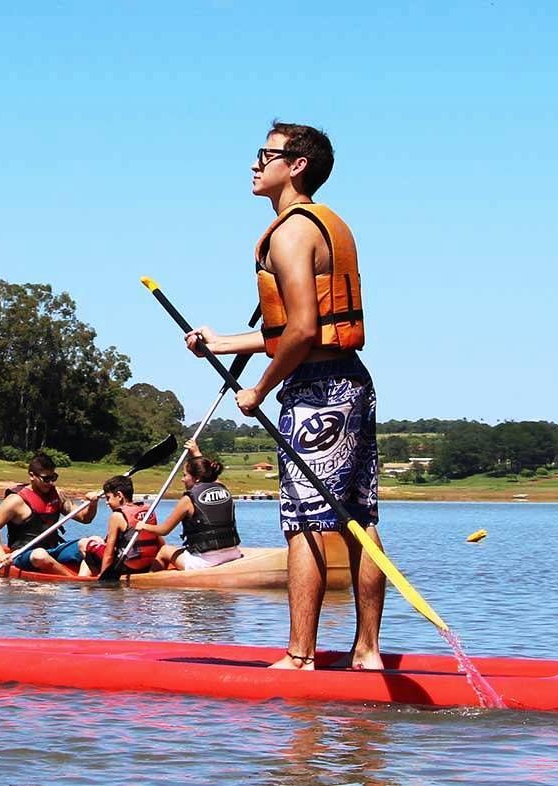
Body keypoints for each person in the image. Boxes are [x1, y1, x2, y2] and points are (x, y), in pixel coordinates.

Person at [184, 121, 384, 671]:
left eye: (264, 154)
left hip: (317, 393)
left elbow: (300, 331)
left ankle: (300, 657)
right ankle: (367, 651)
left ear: (296, 165)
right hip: (349, 381)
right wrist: (221, 343)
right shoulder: (327, 223)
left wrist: (259, 388)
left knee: (304, 523)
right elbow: (305, 328)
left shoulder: (291, 232)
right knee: (358, 519)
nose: (254, 164)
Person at [0, 453, 100, 576]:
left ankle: (86, 579)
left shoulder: (58, 495)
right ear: (32, 476)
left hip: (53, 550)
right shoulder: (15, 500)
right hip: (24, 553)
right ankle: (72, 580)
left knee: (93, 542)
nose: (50, 483)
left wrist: (93, 504)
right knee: (40, 555)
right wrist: (1, 555)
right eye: (46, 479)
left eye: (53, 477)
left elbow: (85, 518)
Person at [139, 440, 244, 571]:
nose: (182, 479)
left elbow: (164, 530)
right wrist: (196, 452)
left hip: (204, 561)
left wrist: (143, 526)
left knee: (164, 550)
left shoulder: (188, 500)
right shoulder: (223, 488)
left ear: (197, 478)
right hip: (233, 553)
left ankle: (151, 580)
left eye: (185, 475)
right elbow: (209, 472)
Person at [79, 474, 162, 577]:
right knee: (96, 539)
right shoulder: (148, 510)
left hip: (126, 566)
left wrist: (104, 577)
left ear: (119, 496)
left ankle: (89, 577)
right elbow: (160, 542)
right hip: (147, 564)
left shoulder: (117, 516)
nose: (107, 503)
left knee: (83, 543)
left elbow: (109, 554)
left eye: (108, 498)